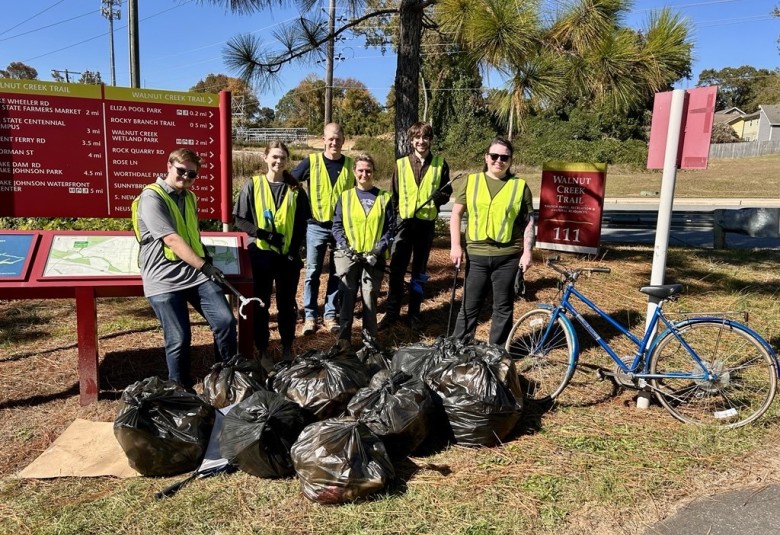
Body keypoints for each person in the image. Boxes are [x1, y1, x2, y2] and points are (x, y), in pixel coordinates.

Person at [132, 148, 237, 390]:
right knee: (178, 338)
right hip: (163, 278)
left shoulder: (189, 197)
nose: (186, 177)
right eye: (181, 171)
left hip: (195, 274)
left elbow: (192, 234)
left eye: (192, 174)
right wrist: (206, 267)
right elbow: (171, 239)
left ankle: (225, 382)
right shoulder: (152, 197)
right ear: (169, 165)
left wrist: (205, 260)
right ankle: (180, 392)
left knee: (225, 322)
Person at [449, 136, 535, 346]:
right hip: (477, 255)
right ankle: (458, 349)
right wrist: (456, 245)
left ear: (510, 160)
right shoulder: (471, 181)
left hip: (507, 257)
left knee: (503, 307)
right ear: (486, 157)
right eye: (494, 156)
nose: (499, 160)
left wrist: (527, 252)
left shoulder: (519, 186)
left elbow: (529, 222)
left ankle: (496, 352)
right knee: (469, 306)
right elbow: (456, 215)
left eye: (504, 157)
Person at [233, 141, 310, 368]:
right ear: (265, 158)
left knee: (287, 305)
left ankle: (287, 346)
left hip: (287, 258)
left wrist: (294, 251)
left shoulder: (295, 189)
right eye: (274, 157)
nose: (278, 161)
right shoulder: (253, 185)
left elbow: (301, 223)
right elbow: (240, 219)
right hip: (261, 255)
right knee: (261, 304)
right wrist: (262, 234)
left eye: (283, 158)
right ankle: (263, 348)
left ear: (287, 161)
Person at [381, 122, 451, 332]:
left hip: (425, 225)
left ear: (430, 140)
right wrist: (393, 224)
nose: (421, 141)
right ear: (411, 141)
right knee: (396, 270)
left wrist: (440, 198)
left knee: (419, 272)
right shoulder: (401, 164)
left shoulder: (440, 164)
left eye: (425, 137)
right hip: (404, 224)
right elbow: (394, 197)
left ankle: (414, 313)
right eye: (417, 138)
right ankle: (391, 312)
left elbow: (447, 191)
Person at [291, 122, 355, 336]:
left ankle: (329, 315)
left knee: (338, 273)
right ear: (323, 139)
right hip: (316, 226)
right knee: (312, 273)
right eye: (330, 138)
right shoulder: (312, 161)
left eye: (338, 138)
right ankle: (310, 316)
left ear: (343, 140)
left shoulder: (350, 165)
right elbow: (291, 180)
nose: (334, 142)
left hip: (341, 229)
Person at [332, 153, 394, 345]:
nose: (364, 174)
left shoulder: (384, 197)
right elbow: (337, 226)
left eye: (368, 170)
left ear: (373, 172)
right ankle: (344, 342)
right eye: (360, 170)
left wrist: (378, 250)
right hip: (348, 256)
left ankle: (370, 342)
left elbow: (390, 228)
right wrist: (345, 246)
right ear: (354, 172)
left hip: (372, 258)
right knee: (347, 297)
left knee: (369, 297)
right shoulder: (346, 197)